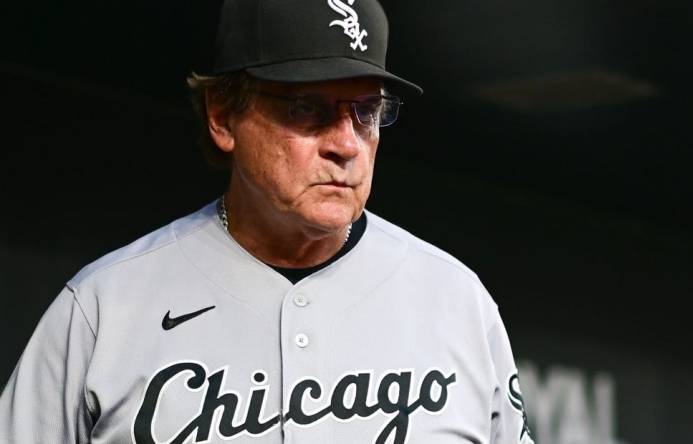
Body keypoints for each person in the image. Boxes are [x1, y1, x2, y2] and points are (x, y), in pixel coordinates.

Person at [0, 1, 535, 443]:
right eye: (308, 107)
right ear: (222, 115)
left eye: (366, 112)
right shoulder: (102, 308)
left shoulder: (457, 302)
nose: (346, 144)